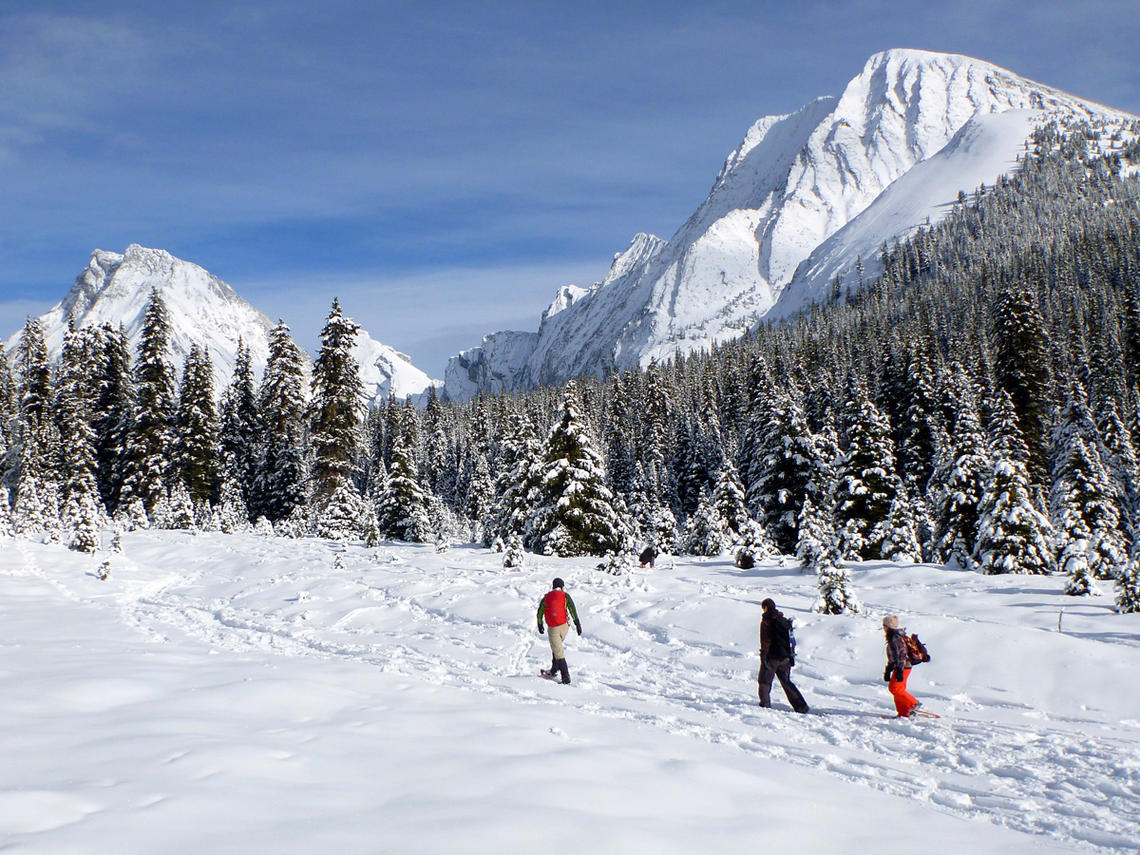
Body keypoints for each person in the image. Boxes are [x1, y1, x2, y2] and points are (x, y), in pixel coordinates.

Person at [757, 598, 809, 713]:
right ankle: (801, 706)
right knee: (786, 682)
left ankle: (764, 705)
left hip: (772, 657)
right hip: (786, 657)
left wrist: (763, 656)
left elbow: (765, 641)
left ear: (765, 607)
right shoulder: (784, 620)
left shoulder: (766, 621)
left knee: (764, 681)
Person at [537, 577, 582, 684]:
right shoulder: (565, 596)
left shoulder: (546, 598)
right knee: (556, 646)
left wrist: (540, 624)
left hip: (554, 629)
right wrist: (577, 623)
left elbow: (540, 612)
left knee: (558, 652)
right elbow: (572, 609)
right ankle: (554, 669)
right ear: (562, 587)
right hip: (565, 627)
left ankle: (566, 677)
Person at [883, 615, 920, 717]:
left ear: (888, 626)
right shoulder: (893, 636)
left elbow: (902, 654)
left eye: (884, 625)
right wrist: (888, 669)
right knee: (898, 690)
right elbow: (893, 655)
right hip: (901, 666)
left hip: (903, 667)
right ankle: (903, 713)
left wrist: (900, 669)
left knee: (894, 688)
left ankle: (914, 703)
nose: (883, 627)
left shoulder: (895, 637)